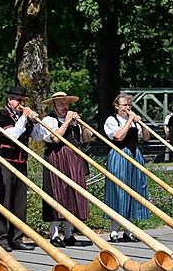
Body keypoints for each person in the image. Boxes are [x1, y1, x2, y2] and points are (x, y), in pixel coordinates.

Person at [37, 91, 92, 247]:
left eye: (66, 103)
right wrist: (67, 122)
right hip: (57, 158)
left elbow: (87, 138)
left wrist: (81, 124)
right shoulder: (48, 119)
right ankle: (54, 235)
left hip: (74, 160)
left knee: (71, 195)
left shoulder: (74, 120)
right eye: (61, 103)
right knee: (56, 194)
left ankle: (69, 234)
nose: (65, 106)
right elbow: (55, 138)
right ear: (54, 105)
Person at [0, 86, 38, 252]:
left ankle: (17, 237)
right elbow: (12, 135)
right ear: (9, 100)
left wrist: (34, 121)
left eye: (23, 100)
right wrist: (24, 117)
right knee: (4, 200)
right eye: (18, 100)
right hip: (5, 161)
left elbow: (37, 137)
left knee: (20, 202)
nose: (21, 103)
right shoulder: (1, 115)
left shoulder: (23, 117)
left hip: (20, 162)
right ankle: (1, 237)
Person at [103, 94, 150, 243]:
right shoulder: (112, 120)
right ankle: (114, 231)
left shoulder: (134, 122)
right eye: (124, 105)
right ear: (117, 106)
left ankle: (128, 231)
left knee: (135, 190)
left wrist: (142, 124)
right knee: (118, 191)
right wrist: (129, 121)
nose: (127, 108)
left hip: (135, 155)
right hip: (119, 155)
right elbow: (118, 137)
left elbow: (146, 137)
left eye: (129, 105)